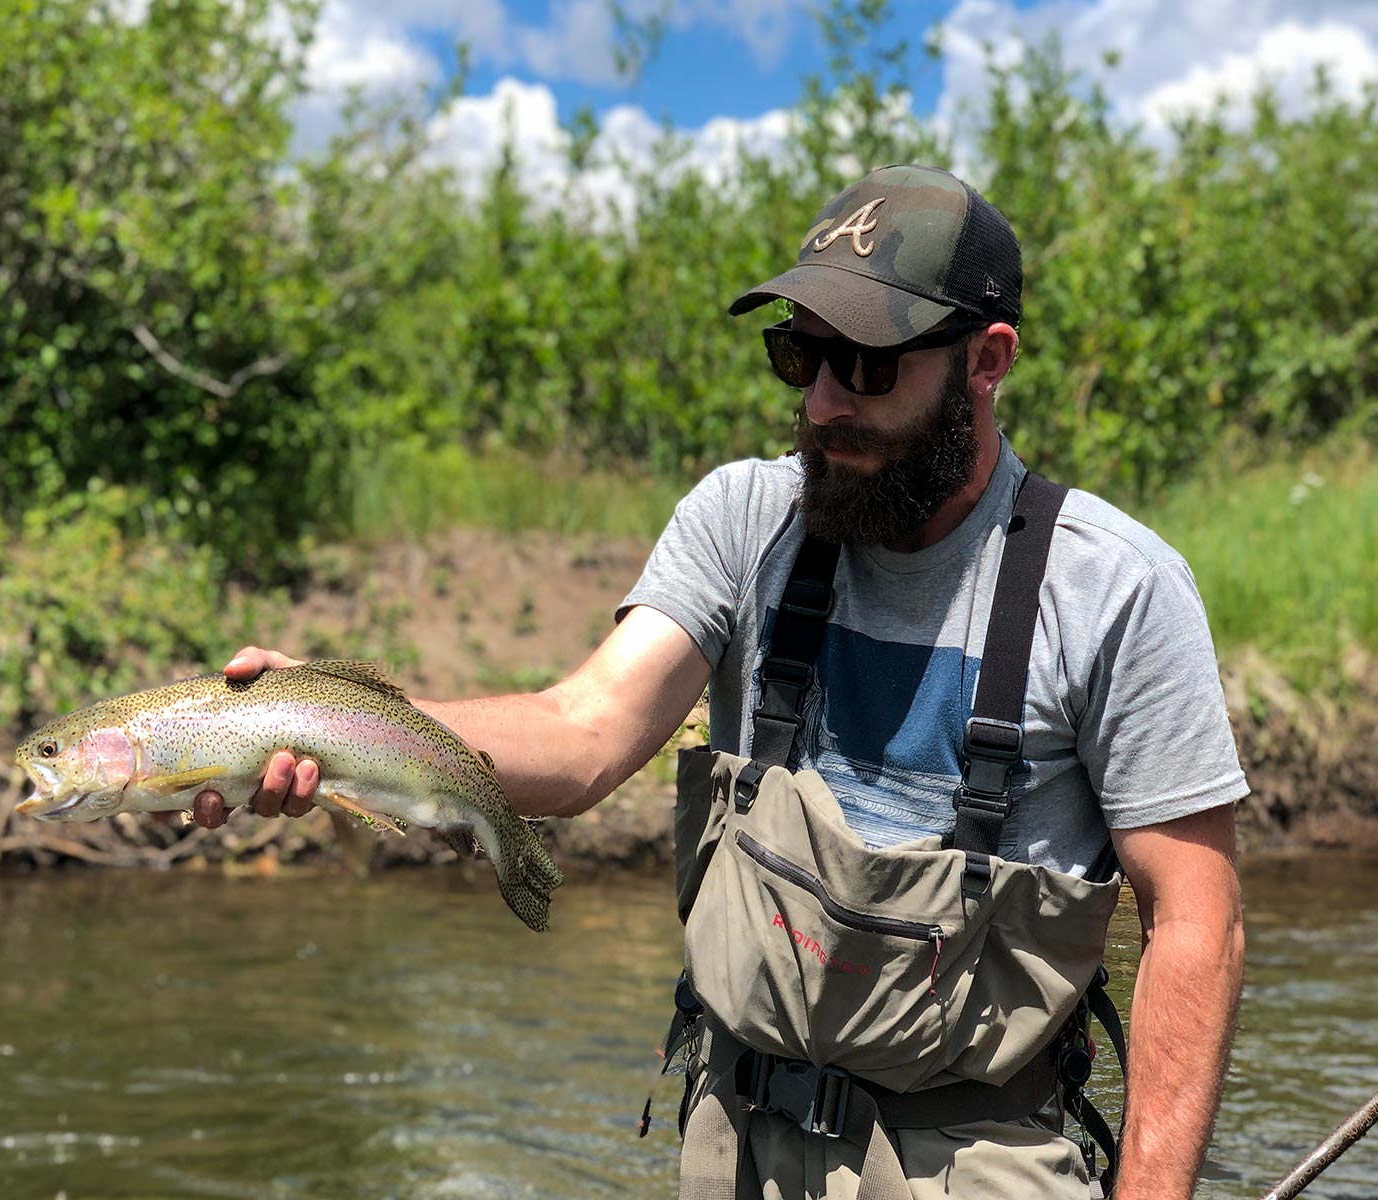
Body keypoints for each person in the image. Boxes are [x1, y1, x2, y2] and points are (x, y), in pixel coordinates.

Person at [187, 164, 1246, 1200]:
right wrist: (346, 723)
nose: (825, 402)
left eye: (868, 366)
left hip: (975, 1153)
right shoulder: (747, 520)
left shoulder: (1117, 590)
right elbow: (585, 729)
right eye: (801, 355)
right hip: (736, 1136)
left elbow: (1196, 926)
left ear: (986, 359)